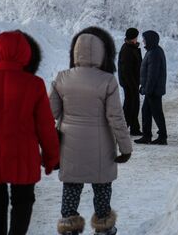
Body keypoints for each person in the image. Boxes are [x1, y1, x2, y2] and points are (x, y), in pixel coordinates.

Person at [0, 31, 59, 235]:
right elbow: (45, 126)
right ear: (24, 54)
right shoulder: (35, 85)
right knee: (23, 201)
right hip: (23, 156)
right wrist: (51, 157)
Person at [50, 27, 131, 235]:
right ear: (102, 52)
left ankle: (69, 225)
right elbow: (116, 118)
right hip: (101, 145)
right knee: (102, 187)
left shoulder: (61, 78)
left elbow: (51, 113)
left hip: (70, 146)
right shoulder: (107, 81)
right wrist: (125, 147)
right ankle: (104, 226)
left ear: (75, 51)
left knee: (71, 187)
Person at [136, 30, 167, 145]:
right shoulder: (153, 50)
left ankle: (162, 137)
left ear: (150, 39)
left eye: (144, 39)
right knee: (146, 111)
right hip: (152, 89)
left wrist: (146, 89)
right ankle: (147, 135)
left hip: (153, 90)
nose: (143, 41)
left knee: (157, 113)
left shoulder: (154, 53)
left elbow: (152, 74)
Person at [118, 27, 142, 136]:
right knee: (130, 106)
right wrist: (132, 85)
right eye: (136, 37)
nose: (137, 39)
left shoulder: (131, 47)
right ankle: (123, 128)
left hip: (132, 82)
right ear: (133, 38)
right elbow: (126, 70)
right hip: (130, 83)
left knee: (132, 105)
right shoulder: (127, 50)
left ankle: (134, 128)